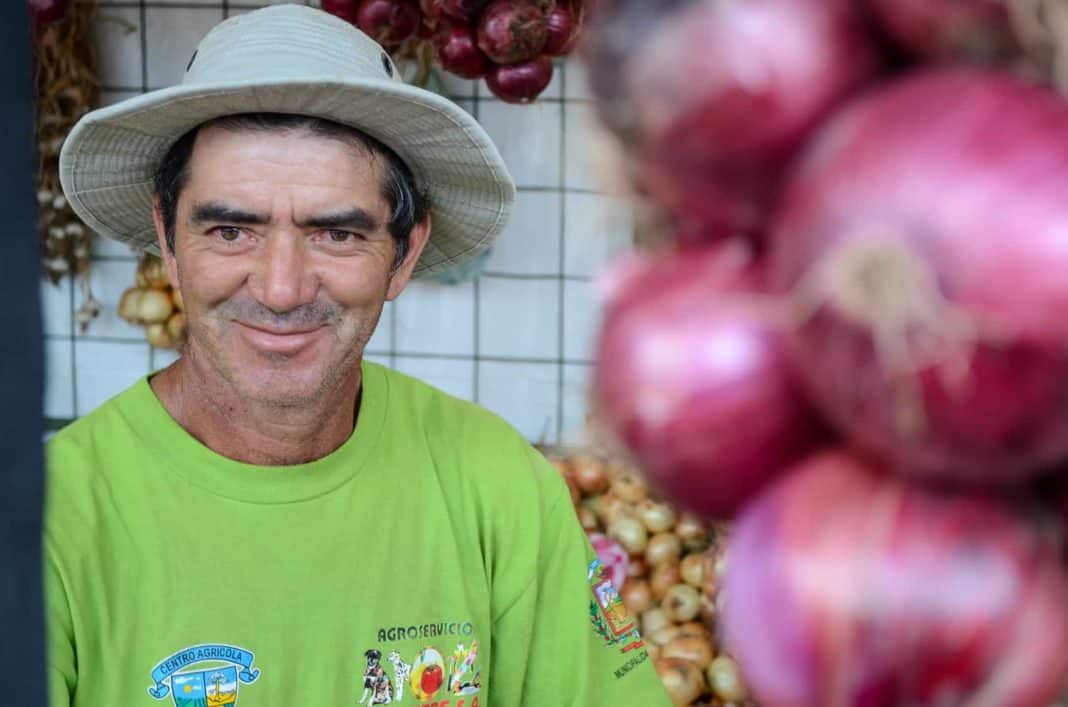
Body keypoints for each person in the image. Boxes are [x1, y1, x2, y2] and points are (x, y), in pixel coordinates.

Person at [45, 5, 671, 706]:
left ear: (403, 255)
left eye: (336, 236)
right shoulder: (49, 520)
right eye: (230, 230)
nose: (281, 289)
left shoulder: (500, 488)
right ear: (167, 238)